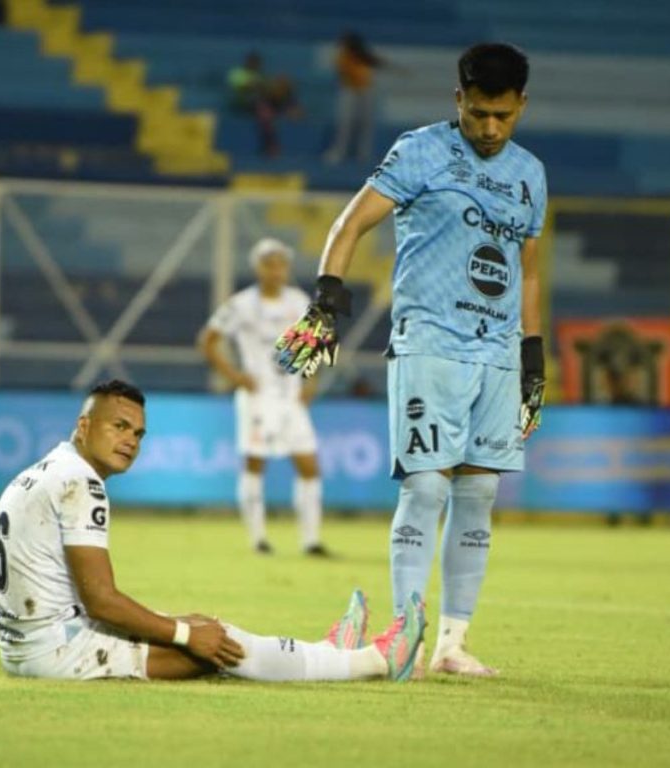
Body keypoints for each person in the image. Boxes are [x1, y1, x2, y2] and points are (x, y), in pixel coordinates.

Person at [275, 44, 547, 677]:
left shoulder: (531, 173)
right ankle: (406, 638)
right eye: (478, 113)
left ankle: (451, 645)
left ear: (522, 106)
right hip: (429, 342)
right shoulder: (421, 150)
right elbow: (349, 223)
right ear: (458, 100)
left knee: (480, 492)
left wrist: (533, 356)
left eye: (503, 116)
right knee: (426, 486)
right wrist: (326, 300)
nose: (490, 128)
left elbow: (529, 272)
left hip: (498, 353)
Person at [0, 379, 426, 682]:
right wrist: (184, 635)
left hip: (27, 646)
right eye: (119, 426)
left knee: (201, 626)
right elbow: (101, 601)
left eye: (138, 433)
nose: (131, 441)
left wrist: (184, 626)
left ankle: (331, 653)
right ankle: (374, 661)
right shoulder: (80, 482)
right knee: (217, 645)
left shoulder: (44, 470)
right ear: (84, 426)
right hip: (59, 653)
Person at [200, 238, 328, 556]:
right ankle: (258, 538)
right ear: (258, 268)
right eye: (270, 264)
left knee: (309, 464)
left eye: (281, 264)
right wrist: (235, 377)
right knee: (255, 463)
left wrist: (310, 381)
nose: (276, 270)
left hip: (290, 397)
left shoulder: (298, 301)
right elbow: (208, 341)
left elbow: (310, 343)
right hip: (258, 396)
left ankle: (311, 540)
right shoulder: (241, 304)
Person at [324, 32, 382, 165]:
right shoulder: (342, 57)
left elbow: (375, 63)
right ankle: (339, 152)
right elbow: (342, 72)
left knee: (365, 124)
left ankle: (364, 153)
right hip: (349, 90)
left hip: (366, 91)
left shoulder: (364, 55)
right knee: (345, 123)